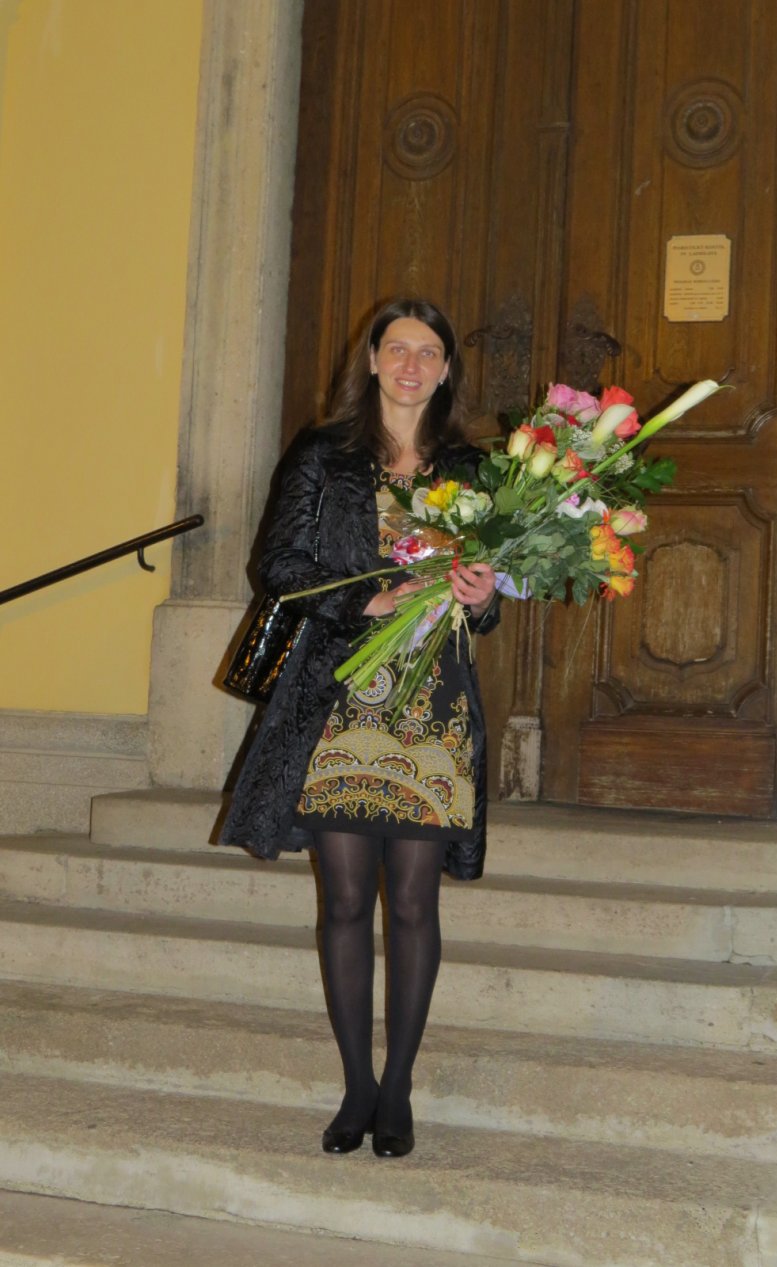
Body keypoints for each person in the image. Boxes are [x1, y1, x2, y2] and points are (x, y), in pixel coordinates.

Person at [220, 298, 498, 1159]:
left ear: (446, 370)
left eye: (429, 351)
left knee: (412, 900)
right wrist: (364, 600)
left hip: (432, 700)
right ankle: (356, 1086)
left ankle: (400, 1084)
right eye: (397, 347)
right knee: (344, 898)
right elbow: (277, 563)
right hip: (338, 698)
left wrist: (482, 595)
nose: (412, 363)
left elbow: (487, 603)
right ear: (372, 360)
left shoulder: (474, 468)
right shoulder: (324, 454)